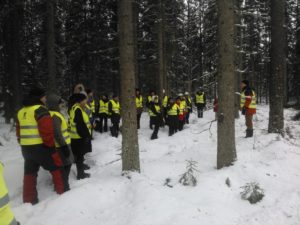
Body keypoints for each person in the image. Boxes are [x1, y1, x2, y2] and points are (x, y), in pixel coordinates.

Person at [16, 87, 67, 204]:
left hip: (26, 149)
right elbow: (46, 131)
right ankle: (63, 195)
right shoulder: (40, 110)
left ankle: (29, 200)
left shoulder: (21, 111)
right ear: (39, 97)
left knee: (29, 174)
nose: (45, 99)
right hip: (42, 147)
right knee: (57, 168)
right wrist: (50, 147)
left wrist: (23, 143)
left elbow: (18, 132)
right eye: (44, 97)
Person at [47, 94, 74, 190]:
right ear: (53, 104)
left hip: (61, 144)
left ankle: (62, 184)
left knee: (66, 164)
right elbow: (57, 133)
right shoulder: (54, 115)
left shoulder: (54, 113)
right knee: (65, 165)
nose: (61, 105)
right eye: (59, 103)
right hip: (61, 145)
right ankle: (63, 186)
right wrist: (64, 146)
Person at [69, 93, 92, 179]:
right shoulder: (78, 109)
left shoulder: (74, 108)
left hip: (75, 137)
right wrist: (86, 136)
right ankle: (81, 174)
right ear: (80, 101)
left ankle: (81, 171)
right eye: (85, 100)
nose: (86, 101)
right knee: (80, 156)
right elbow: (80, 125)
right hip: (79, 137)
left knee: (79, 156)